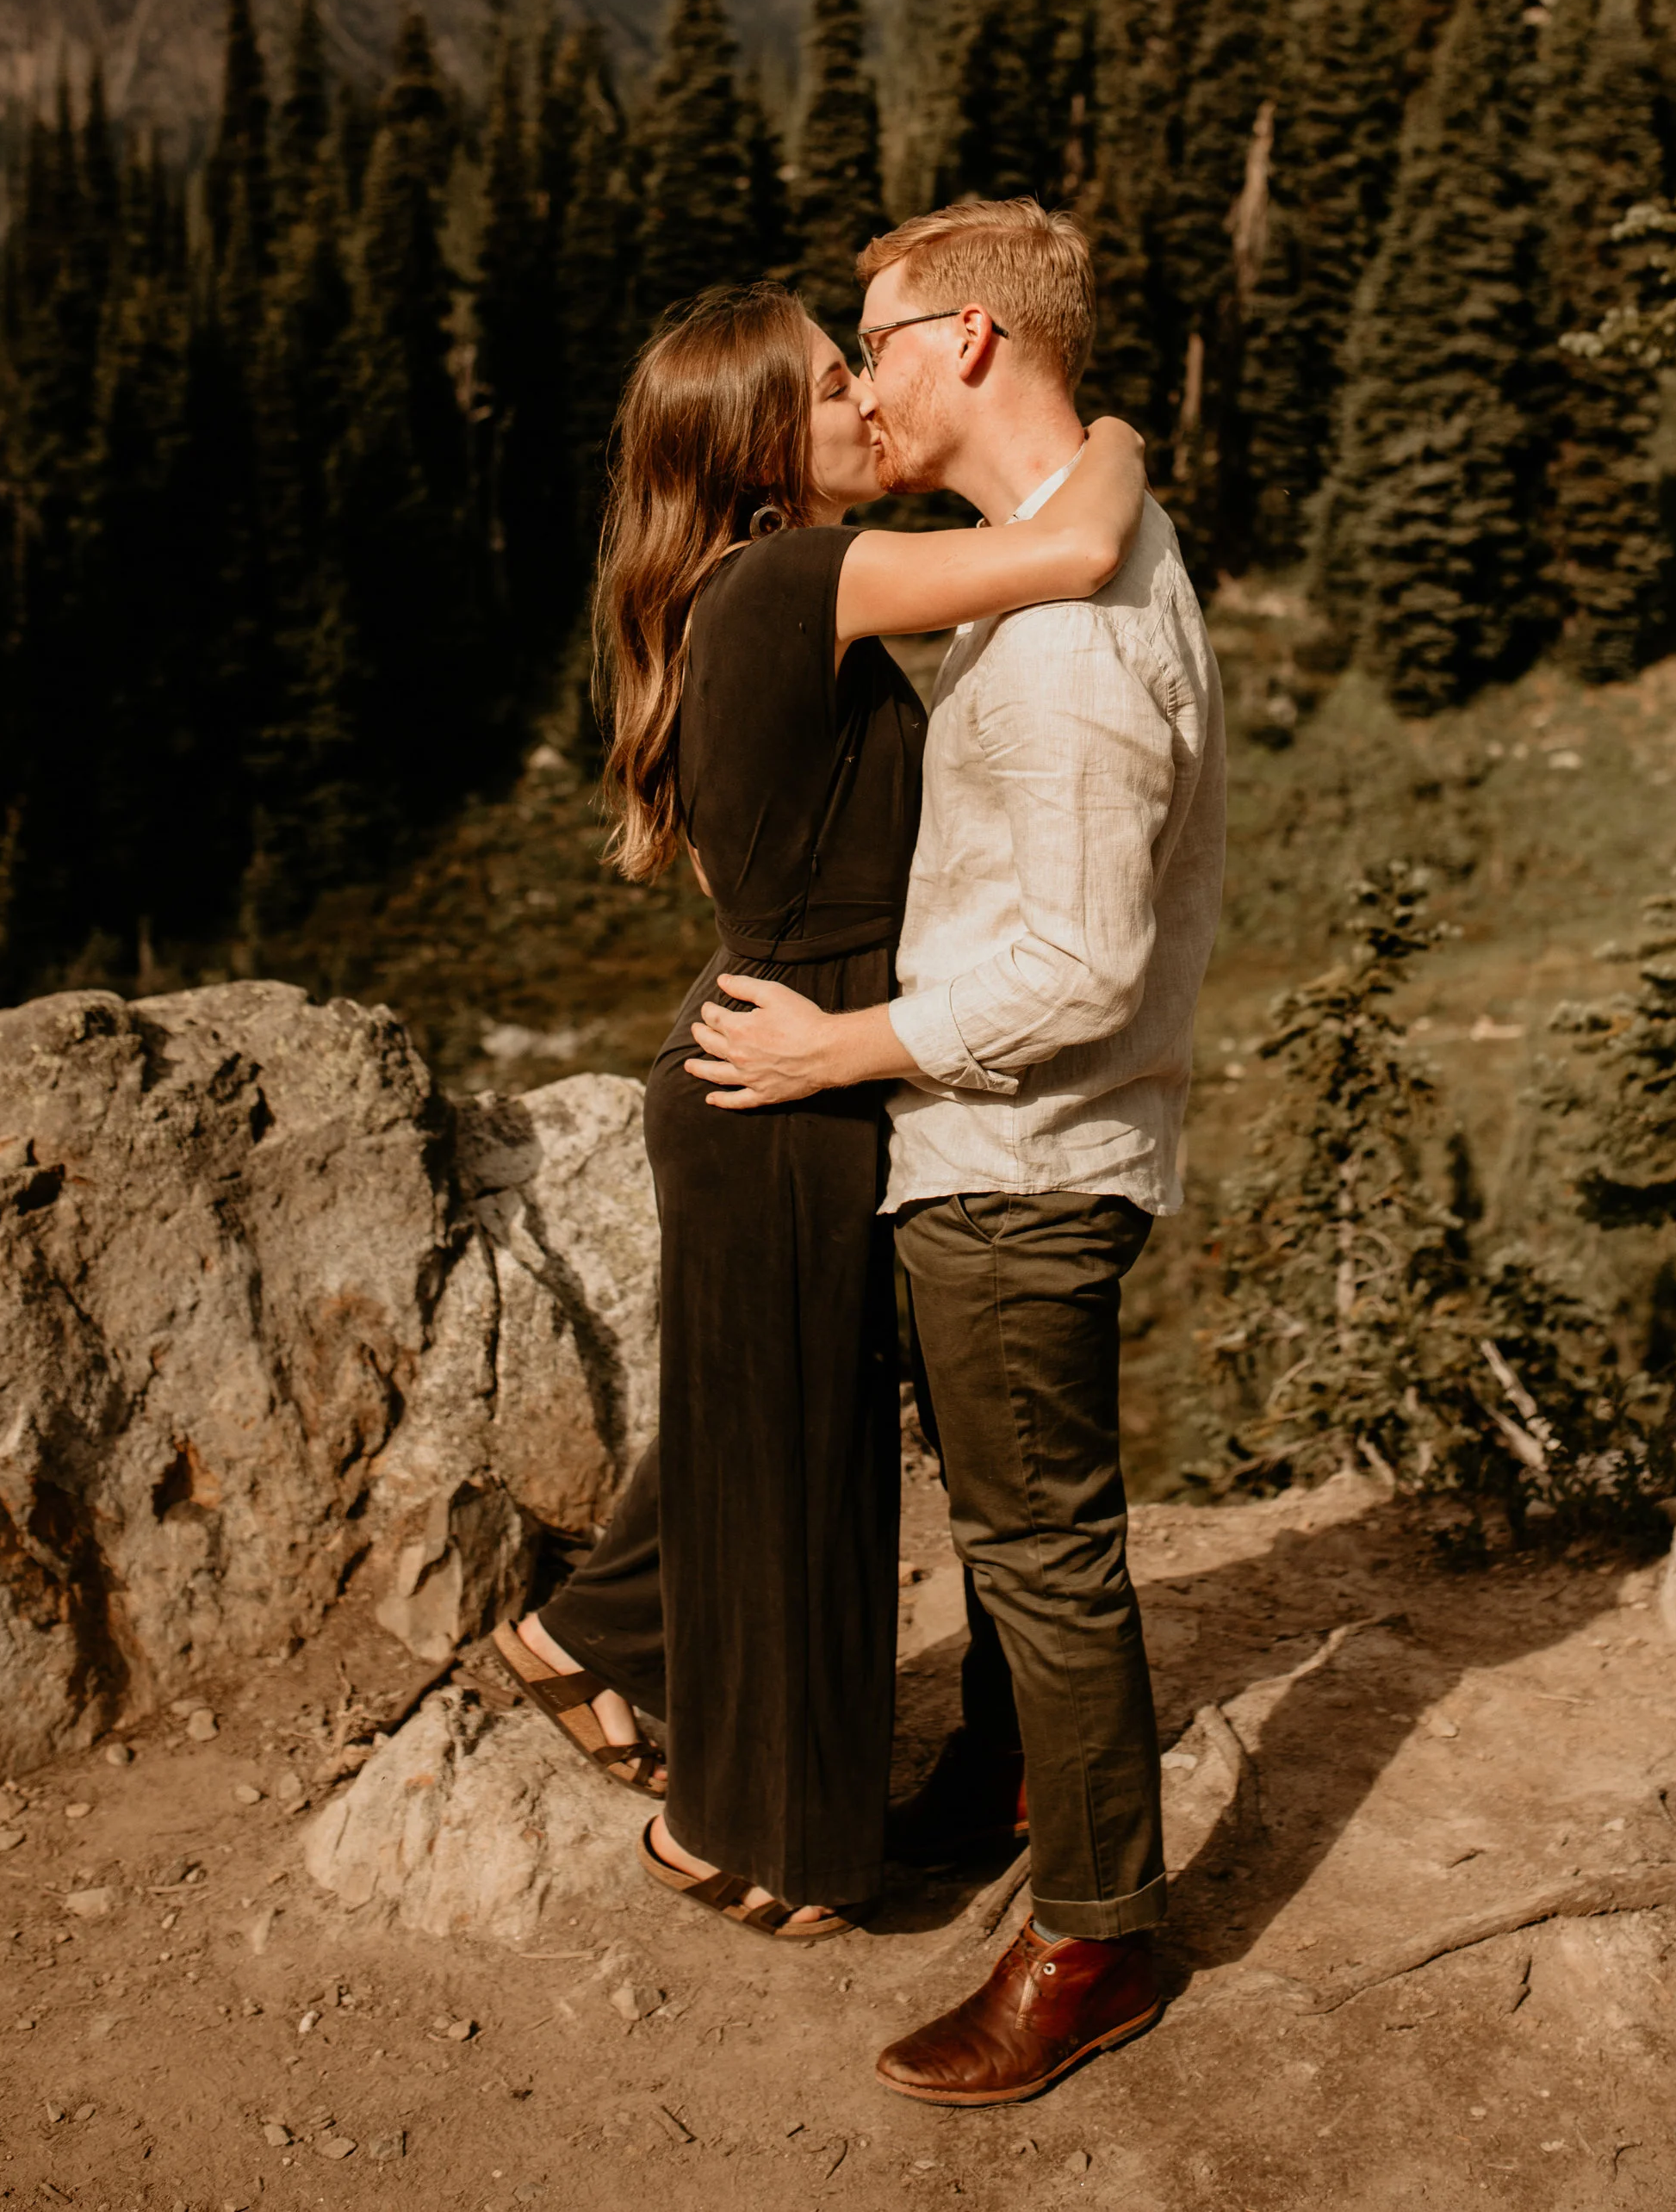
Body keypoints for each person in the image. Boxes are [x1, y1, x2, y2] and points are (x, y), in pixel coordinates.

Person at [493, 278, 1147, 1941]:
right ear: (760, 441)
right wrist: (1115, 429)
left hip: (773, 1065)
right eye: (831, 376)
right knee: (800, 1471)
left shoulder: (733, 596)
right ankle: (750, 1839)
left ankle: (650, 1702)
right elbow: (1075, 552)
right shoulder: (794, 573)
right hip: (786, 1092)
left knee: (772, 1436)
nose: (867, 395)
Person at [687, 199, 1227, 2095]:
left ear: (975, 341)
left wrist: (844, 1040)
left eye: (879, 337)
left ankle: (1095, 1939)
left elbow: (1074, 966)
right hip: (1026, 1147)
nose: (862, 378)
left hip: (1017, 1156)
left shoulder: (1070, 634)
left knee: (1045, 1550)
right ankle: (1007, 1779)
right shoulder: (1062, 550)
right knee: (1028, 1536)